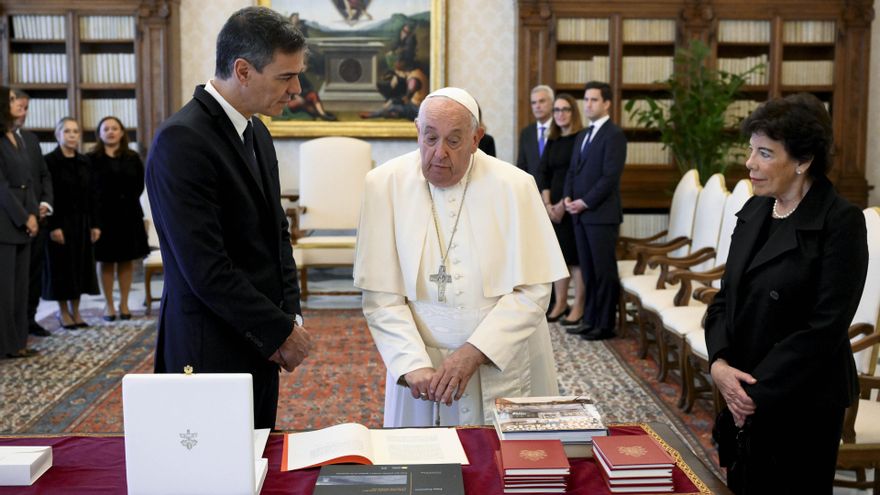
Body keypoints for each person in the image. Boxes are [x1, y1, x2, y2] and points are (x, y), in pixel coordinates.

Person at [354, 87, 568, 427]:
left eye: (454, 141)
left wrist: (475, 351)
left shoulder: (515, 186)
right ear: (417, 131)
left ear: (476, 138)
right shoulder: (383, 185)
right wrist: (412, 364)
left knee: (507, 456)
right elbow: (381, 295)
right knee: (424, 455)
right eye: (430, 138)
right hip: (422, 365)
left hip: (501, 358)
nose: (439, 153)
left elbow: (533, 291)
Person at [145, 6, 312, 430]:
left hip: (259, 343)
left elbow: (278, 234)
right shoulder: (183, 140)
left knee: (258, 455)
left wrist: (289, 318)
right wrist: (278, 332)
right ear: (242, 70)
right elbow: (206, 268)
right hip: (209, 349)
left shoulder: (257, 131)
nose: (296, 89)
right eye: (285, 77)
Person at [705, 93, 868, 494]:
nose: (750, 163)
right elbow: (725, 298)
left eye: (764, 153)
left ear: (803, 160)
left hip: (802, 401)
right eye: (751, 150)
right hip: (741, 387)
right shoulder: (755, 210)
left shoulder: (840, 222)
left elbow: (824, 327)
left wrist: (752, 393)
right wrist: (719, 365)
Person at [563, 81, 626, 341]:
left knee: (603, 272)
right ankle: (589, 320)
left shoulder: (614, 135)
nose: (587, 104)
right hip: (579, 215)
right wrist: (568, 197)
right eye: (586, 99)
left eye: (593, 100)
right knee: (588, 272)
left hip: (601, 216)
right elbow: (572, 170)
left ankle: (605, 324)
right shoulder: (583, 135)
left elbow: (609, 177)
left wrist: (584, 202)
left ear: (606, 103)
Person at [88, 116, 150, 321]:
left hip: (128, 214)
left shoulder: (132, 157)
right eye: (106, 129)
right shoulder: (91, 159)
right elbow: (90, 189)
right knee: (105, 261)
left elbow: (140, 184)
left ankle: (124, 304)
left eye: (114, 128)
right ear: (99, 133)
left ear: (122, 132)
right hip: (102, 216)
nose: (110, 132)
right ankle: (109, 305)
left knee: (126, 259)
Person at [42, 118, 101, 330]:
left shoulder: (85, 161)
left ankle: (76, 311)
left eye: (75, 131)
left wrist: (95, 224)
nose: (72, 135)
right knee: (61, 268)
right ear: (58, 134)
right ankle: (63, 311)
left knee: (79, 268)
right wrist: (53, 226)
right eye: (67, 131)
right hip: (59, 222)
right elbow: (46, 194)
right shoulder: (48, 161)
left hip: (82, 221)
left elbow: (93, 194)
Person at [538, 94, 585, 326]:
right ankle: (560, 303)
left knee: (575, 260)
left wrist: (562, 206)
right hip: (552, 208)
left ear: (573, 112)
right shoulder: (553, 140)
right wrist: (548, 205)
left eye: (565, 109)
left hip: (572, 207)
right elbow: (543, 173)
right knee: (560, 259)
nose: (560, 114)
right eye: (556, 110)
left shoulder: (581, 138)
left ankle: (578, 306)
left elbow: (578, 175)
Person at [0, 86, 39, 359]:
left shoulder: (17, 137)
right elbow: (1, 187)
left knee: (20, 288)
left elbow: (29, 180)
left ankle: (19, 342)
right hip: (6, 223)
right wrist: (24, 217)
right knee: (5, 290)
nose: (18, 104)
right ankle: (6, 345)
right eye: (12, 100)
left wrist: (33, 213)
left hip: (25, 221)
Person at [12, 89, 54, 336]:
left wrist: (46, 203)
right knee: (14, 279)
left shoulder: (30, 139)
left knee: (35, 274)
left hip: (39, 218)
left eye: (26, 108)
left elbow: (43, 175)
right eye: (19, 107)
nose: (23, 113)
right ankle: (13, 326)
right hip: (14, 221)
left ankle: (29, 319)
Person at [516, 85, 554, 179]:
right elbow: (521, 166)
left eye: (542, 101)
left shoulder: (560, 129)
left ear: (552, 103)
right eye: (534, 102)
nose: (537, 106)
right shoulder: (526, 133)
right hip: (532, 185)